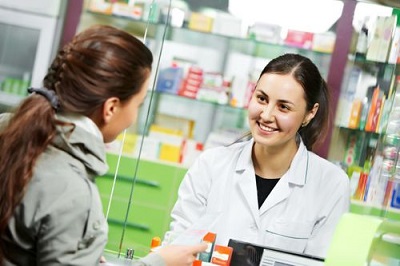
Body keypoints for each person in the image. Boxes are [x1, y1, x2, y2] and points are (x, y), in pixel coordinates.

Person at [0, 25, 206, 266]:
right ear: (110, 108)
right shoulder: (73, 192)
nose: (133, 117)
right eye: (138, 104)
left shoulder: (10, 129)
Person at [167, 53, 350, 258]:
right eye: (261, 99)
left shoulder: (331, 185)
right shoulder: (211, 165)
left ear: (310, 113)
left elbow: (323, 262)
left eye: (283, 107)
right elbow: (178, 248)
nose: (266, 115)